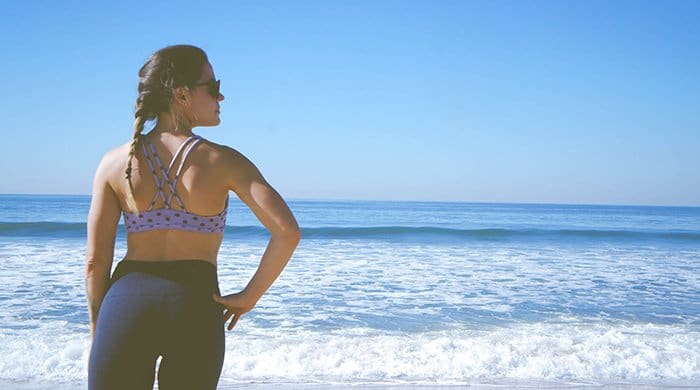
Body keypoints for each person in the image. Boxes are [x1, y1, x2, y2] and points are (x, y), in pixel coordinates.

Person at [85, 45, 301, 390]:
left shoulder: (113, 163)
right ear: (182, 94)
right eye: (213, 87)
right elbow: (287, 232)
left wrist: (101, 326)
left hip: (125, 307)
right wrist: (249, 297)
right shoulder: (225, 161)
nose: (222, 96)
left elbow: (96, 262)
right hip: (195, 307)